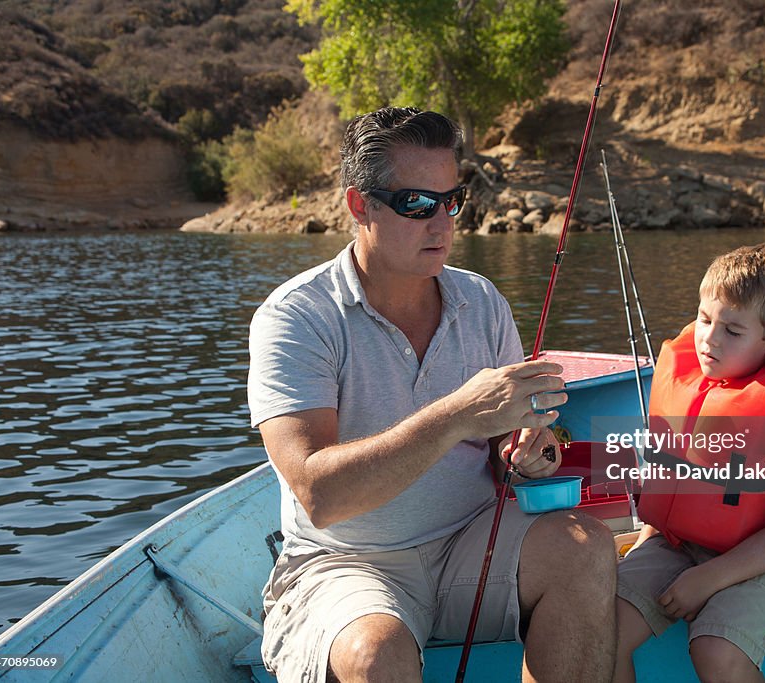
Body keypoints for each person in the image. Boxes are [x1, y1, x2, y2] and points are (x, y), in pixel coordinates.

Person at [248, 106, 617, 683]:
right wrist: (457, 414)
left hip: (473, 542)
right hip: (346, 563)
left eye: (453, 200)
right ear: (359, 205)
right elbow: (320, 494)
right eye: (416, 204)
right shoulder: (296, 317)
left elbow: (505, 451)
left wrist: (526, 453)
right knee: (376, 654)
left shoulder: (483, 301)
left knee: (586, 547)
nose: (441, 223)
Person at [613, 244, 765, 682]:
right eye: (705, 319)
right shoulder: (684, 388)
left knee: (716, 649)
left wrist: (708, 578)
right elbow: (668, 486)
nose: (709, 339)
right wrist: (646, 540)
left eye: (732, 330)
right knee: (599, 626)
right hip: (677, 543)